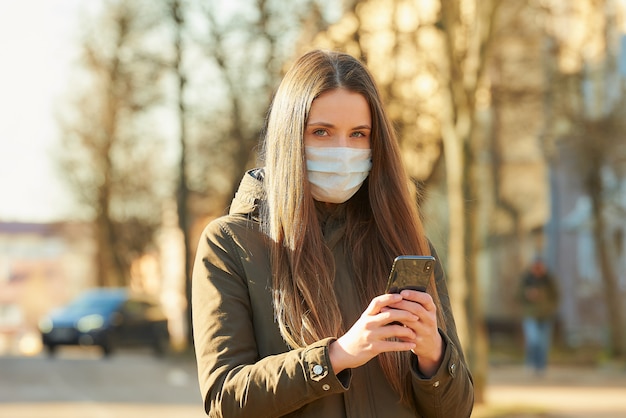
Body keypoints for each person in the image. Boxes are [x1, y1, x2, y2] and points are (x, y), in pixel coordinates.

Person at [191, 49, 474, 417]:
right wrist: (337, 356)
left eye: (358, 134)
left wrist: (433, 355)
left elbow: (456, 410)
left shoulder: (406, 244)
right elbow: (225, 400)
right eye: (321, 132)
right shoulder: (230, 244)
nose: (343, 150)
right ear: (290, 136)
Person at [517, 257, 560, 375]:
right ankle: (531, 363)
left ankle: (541, 366)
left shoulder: (548, 280)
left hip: (546, 315)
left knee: (544, 342)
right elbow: (517, 294)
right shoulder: (527, 279)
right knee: (533, 340)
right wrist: (527, 294)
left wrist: (549, 308)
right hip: (531, 315)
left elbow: (556, 296)